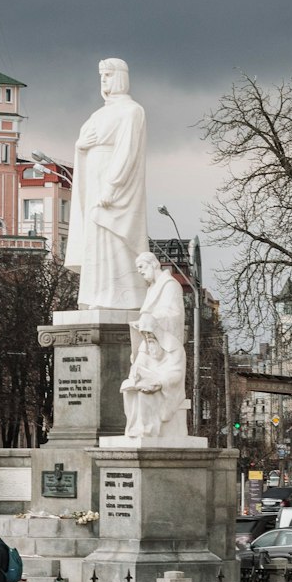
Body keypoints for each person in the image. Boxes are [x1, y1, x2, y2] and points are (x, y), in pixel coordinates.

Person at [64, 58, 149, 310]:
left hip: (114, 190)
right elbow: (84, 146)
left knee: (113, 239)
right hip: (93, 184)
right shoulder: (98, 114)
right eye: (101, 75)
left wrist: (112, 186)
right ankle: (96, 296)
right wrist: (79, 148)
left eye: (109, 74)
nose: (103, 80)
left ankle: (121, 298)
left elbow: (128, 152)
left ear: (121, 77)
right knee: (95, 242)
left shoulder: (132, 111)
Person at [121, 252, 188, 440]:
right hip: (154, 345)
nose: (139, 272)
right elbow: (139, 366)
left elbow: (174, 314)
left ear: (153, 264)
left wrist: (152, 321)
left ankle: (146, 430)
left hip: (163, 379)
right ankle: (135, 430)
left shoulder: (170, 285)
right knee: (132, 389)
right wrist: (135, 378)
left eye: (141, 267)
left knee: (145, 394)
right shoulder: (152, 289)